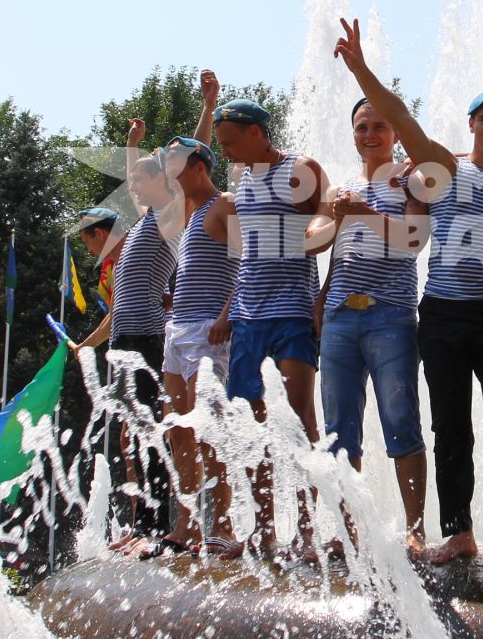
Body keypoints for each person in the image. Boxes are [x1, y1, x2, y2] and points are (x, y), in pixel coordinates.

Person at [332, 19, 483, 566]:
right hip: (444, 314)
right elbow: (400, 116)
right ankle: (458, 533)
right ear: (471, 123)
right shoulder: (443, 168)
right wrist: (360, 67)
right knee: (450, 423)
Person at [70, 74, 219, 549]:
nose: (133, 186)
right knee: (128, 436)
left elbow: (194, 154)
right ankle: (141, 523)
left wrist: (209, 103)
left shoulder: (173, 215)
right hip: (124, 341)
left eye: (141, 178)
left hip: (151, 337)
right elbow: (141, 184)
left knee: (155, 431)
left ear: (166, 180)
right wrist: (132, 147)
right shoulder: (141, 224)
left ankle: (159, 526)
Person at [204, 98, 334, 553]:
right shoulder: (242, 181)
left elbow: (328, 220)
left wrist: (321, 289)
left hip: (294, 312)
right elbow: (245, 256)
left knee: (299, 421)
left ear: (255, 131)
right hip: (246, 319)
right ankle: (260, 531)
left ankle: (306, 528)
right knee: (249, 425)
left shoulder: (302, 169)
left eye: (229, 141)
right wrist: (226, 313)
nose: (224, 151)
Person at [306, 94, 433, 553]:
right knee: (339, 429)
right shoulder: (339, 188)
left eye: (380, 126)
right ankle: (348, 530)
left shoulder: (410, 179)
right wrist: (339, 219)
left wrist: (363, 213)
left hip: (391, 315)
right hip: (340, 318)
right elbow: (311, 243)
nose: (370, 134)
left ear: (395, 133)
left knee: (401, 421)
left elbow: (414, 241)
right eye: (362, 126)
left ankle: (416, 529)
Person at [154, 134, 244, 556]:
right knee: (179, 432)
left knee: (209, 430)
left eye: (176, 165)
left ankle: (223, 523)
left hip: (210, 330)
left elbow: (250, 261)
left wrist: (227, 316)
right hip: (178, 331)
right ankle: (187, 523)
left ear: (200, 166)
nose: (170, 174)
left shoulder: (225, 202)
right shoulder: (190, 214)